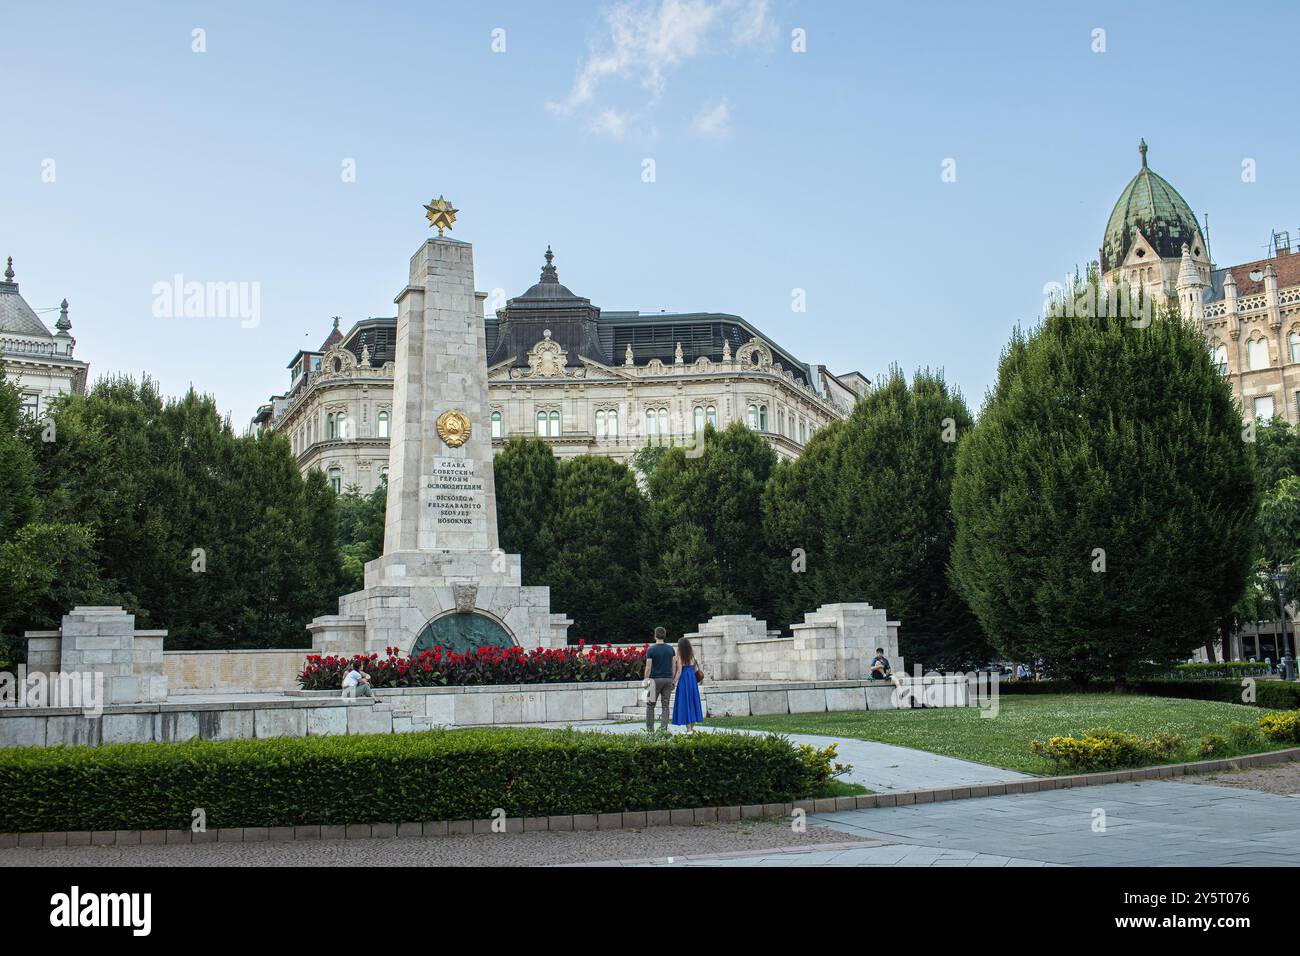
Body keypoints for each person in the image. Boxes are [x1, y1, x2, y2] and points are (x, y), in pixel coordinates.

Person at [643, 627, 675, 732]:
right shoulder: (671, 649)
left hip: (654, 681)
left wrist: (645, 680)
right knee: (665, 705)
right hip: (667, 679)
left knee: (650, 705)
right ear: (664, 635)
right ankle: (663, 729)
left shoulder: (651, 650)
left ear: (655, 635)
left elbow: (648, 667)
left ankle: (650, 730)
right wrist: (673, 680)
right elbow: (673, 666)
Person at [672, 637, 704, 732]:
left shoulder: (680, 656)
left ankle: (689, 729)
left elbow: (679, 672)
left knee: (685, 703)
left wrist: (673, 682)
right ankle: (691, 728)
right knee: (693, 703)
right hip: (692, 682)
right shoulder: (692, 656)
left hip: (684, 682)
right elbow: (695, 670)